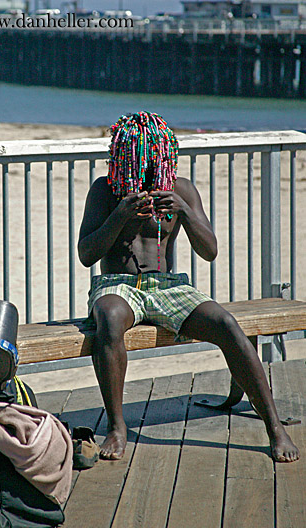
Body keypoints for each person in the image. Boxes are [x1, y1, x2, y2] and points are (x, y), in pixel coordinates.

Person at [78, 111, 299, 463]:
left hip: (166, 285)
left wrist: (184, 210)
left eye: (152, 161)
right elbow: (86, 254)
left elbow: (209, 250)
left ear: (164, 157)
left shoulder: (179, 188)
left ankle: (274, 426)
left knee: (226, 323)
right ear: (122, 157)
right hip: (117, 284)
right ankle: (117, 427)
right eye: (137, 160)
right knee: (108, 316)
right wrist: (119, 215)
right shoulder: (104, 190)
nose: (146, 170)